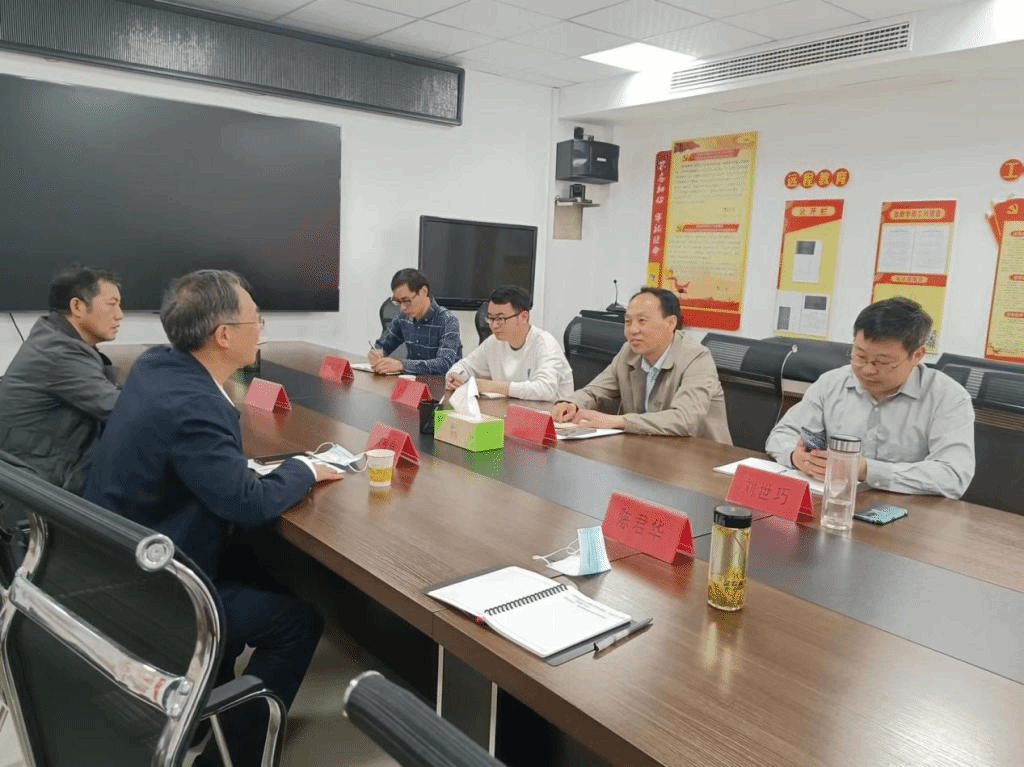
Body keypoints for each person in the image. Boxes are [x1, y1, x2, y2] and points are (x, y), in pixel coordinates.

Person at [84, 270, 342, 766]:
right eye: (256, 319)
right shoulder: (195, 405)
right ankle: (231, 758)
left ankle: (202, 710)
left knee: (255, 563)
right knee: (297, 624)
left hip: (119, 555)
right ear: (224, 334)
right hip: (155, 586)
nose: (261, 328)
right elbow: (247, 503)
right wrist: (305, 468)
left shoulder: (156, 365)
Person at [765, 296, 975, 498]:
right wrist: (796, 457)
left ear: (917, 355)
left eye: (882, 362)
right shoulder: (831, 383)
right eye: (860, 356)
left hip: (909, 513)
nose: (867, 370)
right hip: (834, 502)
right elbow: (782, 433)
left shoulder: (948, 398)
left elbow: (953, 475)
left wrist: (866, 470)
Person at [0, 266, 123, 493]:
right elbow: (120, 408)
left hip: (46, 474)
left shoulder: (56, 340)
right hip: (35, 491)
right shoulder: (58, 353)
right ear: (77, 307)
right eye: (112, 304)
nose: (119, 314)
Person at [549, 287, 731, 441]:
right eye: (628, 322)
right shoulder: (629, 352)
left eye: (642, 321)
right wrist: (571, 404)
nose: (633, 330)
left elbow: (684, 420)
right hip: (649, 450)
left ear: (670, 323)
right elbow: (594, 391)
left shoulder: (697, 358)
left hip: (701, 459)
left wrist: (618, 421)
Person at [444, 285, 573, 400]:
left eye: (500, 318)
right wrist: (455, 375)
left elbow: (546, 390)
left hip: (549, 416)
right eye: (490, 318)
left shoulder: (544, 344)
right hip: (509, 411)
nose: (494, 325)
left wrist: (492, 386)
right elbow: (466, 366)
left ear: (523, 317)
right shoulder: (494, 342)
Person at [369, 268, 462, 375]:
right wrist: (376, 353)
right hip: (411, 382)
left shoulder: (448, 320)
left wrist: (402, 365)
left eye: (406, 301)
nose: (402, 308)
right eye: (398, 302)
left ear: (423, 291)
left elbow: (444, 364)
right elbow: (382, 346)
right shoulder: (402, 318)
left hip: (441, 383)